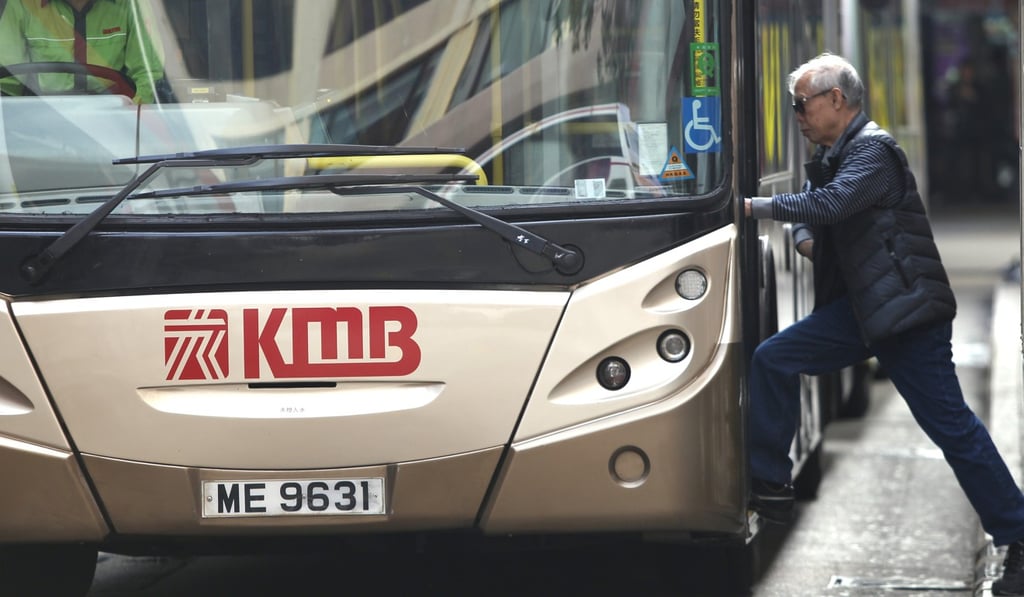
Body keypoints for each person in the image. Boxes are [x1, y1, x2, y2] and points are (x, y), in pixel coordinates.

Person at [743, 52, 1024, 596]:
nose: (797, 115)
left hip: (907, 317)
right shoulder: (839, 154)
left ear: (835, 101)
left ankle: (1018, 532)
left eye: (802, 104)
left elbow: (833, 205)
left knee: (953, 431)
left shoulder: (873, 152)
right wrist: (803, 238)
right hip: (866, 313)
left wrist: (753, 208)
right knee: (774, 358)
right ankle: (771, 482)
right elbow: (831, 232)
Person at [0, 0, 165, 103]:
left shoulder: (132, 4)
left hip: (113, 118)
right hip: (43, 120)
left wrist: (133, 112)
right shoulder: (22, 3)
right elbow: (7, 80)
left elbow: (148, 71)